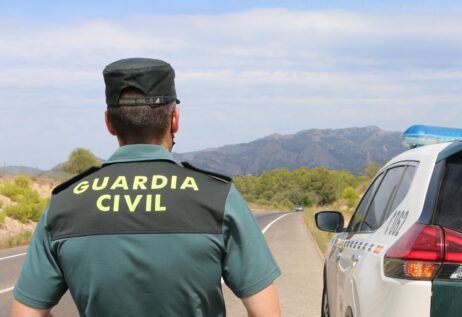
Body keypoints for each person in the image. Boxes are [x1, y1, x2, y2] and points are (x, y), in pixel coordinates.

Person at [11, 58, 281, 317]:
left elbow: (26, 311)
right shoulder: (217, 197)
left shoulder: (65, 204)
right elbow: (265, 311)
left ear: (109, 123)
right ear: (174, 119)